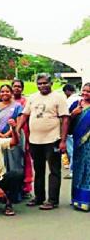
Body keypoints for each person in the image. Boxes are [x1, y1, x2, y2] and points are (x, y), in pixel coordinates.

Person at [16, 73, 69, 210]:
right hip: (34, 140)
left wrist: (63, 140)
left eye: (45, 83)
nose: (42, 86)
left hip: (53, 140)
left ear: (51, 83)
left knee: (54, 170)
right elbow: (25, 115)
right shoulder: (32, 97)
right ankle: (39, 197)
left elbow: (65, 119)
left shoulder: (59, 97)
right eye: (39, 83)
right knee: (38, 170)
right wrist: (16, 129)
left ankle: (52, 200)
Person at [0, 85, 24, 175]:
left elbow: (19, 123)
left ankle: (16, 184)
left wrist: (8, 133)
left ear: (11, 93)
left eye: (7, 91)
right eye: (2, 91)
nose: (5, 93)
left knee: (14, 160)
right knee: (1, 160)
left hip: (14, 136)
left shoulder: (17, 106)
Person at [69, 83, 90, 211]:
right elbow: (67, 122)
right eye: (84, 91)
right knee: (79, 169)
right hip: (79, 142)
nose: (86, 93)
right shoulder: (76, 104)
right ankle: (77, 199)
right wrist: (73, 114)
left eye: (89, 91)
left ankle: (86, 199)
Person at [12, 79, 33, 197]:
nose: (16, 88)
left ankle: (26, 187)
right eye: (14, 86)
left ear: (22, 88)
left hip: (25, 133)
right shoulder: (5, 102)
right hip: (9, 135)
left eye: (19, 86)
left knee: (25, 160)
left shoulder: (26, 102)